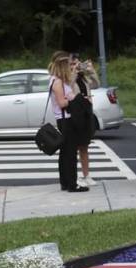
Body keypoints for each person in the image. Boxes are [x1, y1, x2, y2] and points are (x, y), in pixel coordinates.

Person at [48, 52, 88, 192]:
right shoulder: (57, 82)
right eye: (68, 65)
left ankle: (65, 182)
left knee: (65, 153)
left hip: (64, 120)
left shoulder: (58, 80)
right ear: (62, 66)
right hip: (66, 120)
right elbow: (62, 103)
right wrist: (75, 99)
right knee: (70, 154)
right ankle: (72, 184)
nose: (69, 68)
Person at [69, 54, 100, 188]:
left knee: (84, 145)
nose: (75, 66)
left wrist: (91, 70)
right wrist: (74, 72)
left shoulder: (84, 78)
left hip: (87, 112)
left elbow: (97, 84)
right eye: (72, 63)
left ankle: (86, 175)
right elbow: (68, 87)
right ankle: (74, 176)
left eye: (77, 63)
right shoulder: (67, 77)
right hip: (76, 113)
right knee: (74, 146)